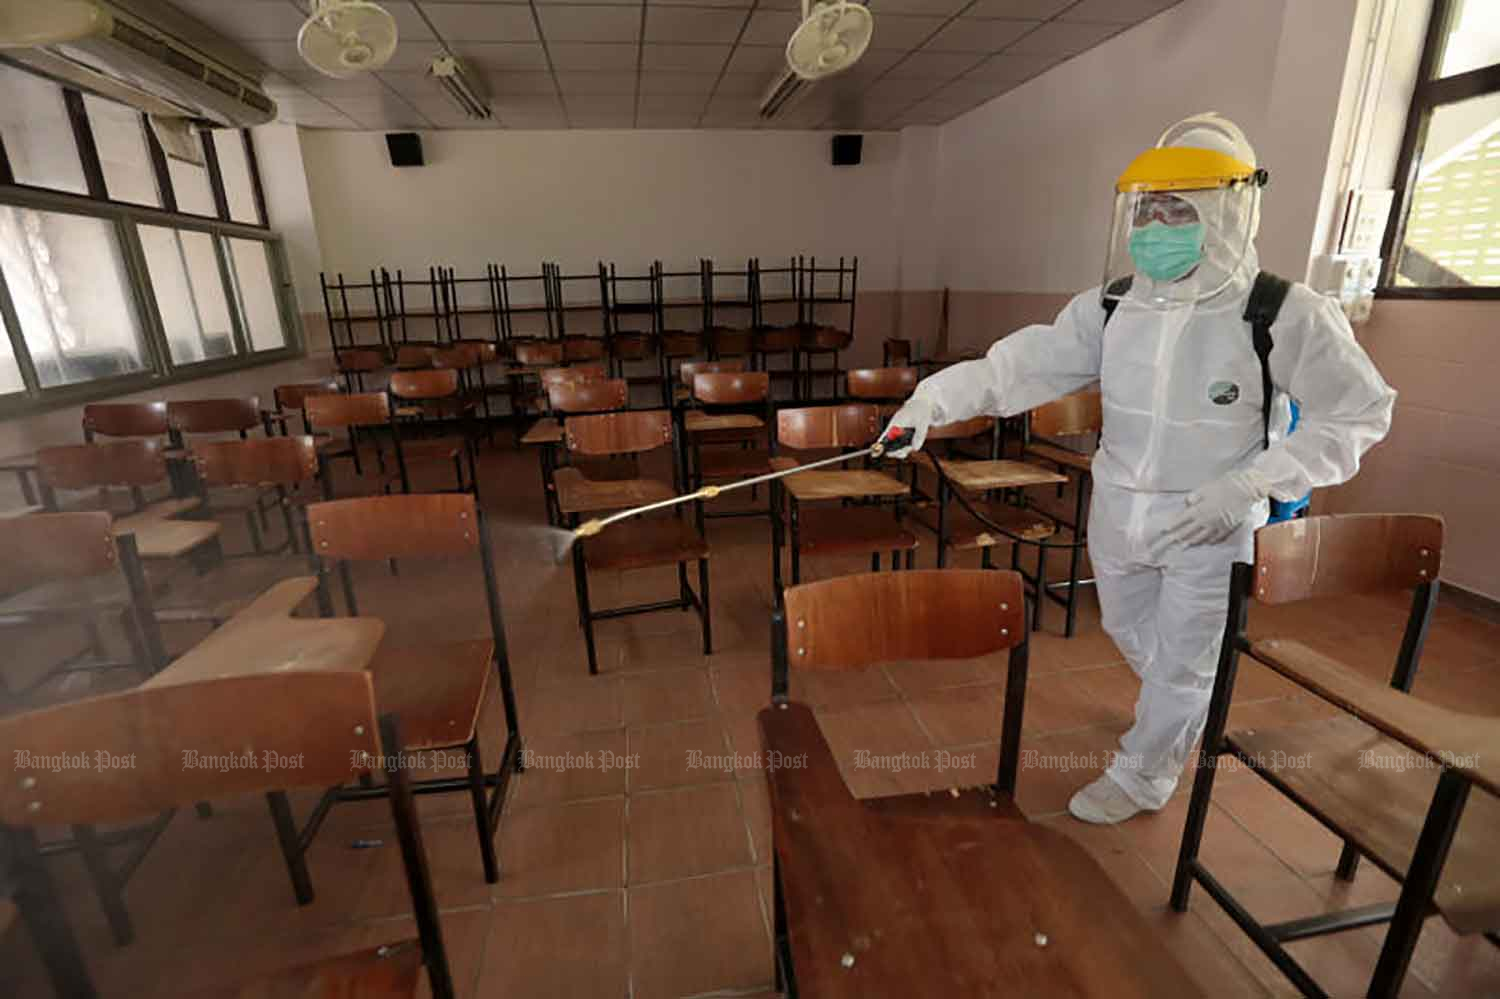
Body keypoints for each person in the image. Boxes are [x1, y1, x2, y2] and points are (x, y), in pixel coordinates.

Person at [883, 113, 1395, 824]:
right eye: (1148, 209)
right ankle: (1179, 709)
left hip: (1211, 519)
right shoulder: (1115, 304)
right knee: (1135, 637)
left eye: (1178, 208)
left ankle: (1145, 772)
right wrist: (930, 403)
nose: (1158, 224)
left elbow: (1362, 412)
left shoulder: (1280, 312)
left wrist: (1252, 484)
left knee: (1184, 659)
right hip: (1119, 511)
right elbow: (1019, 366)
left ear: (1226, 211)